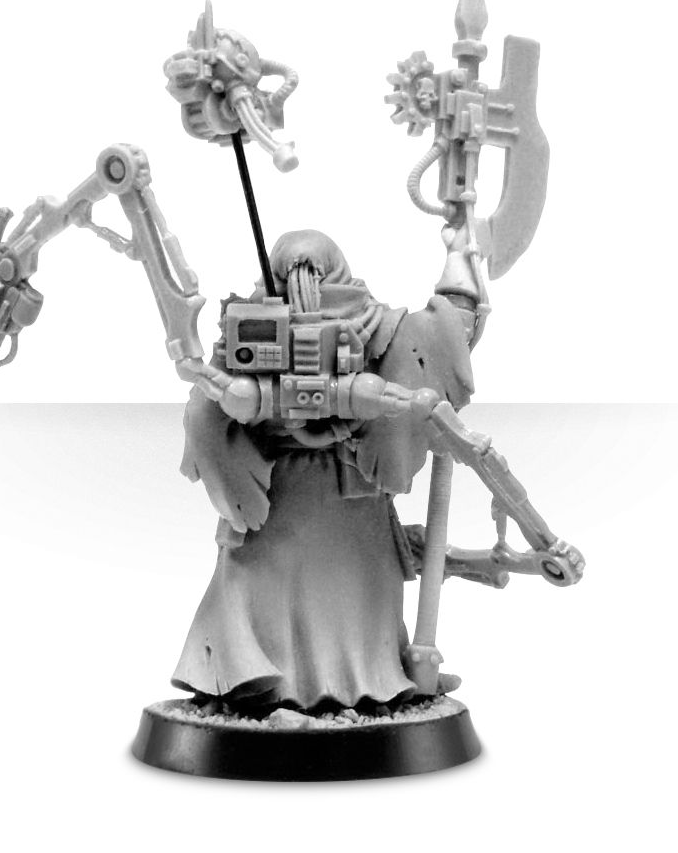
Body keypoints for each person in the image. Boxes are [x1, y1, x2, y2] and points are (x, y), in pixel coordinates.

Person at [172, 230, 474, 712]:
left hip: (352, 488)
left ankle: (372, 681)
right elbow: (211, 402)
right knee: (260, 590)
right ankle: (258, 687)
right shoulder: (254, 323)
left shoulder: (381, 326)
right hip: (277, 491)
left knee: (356, 593)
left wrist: (463, 257)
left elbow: (449, 335)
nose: (304, 284)